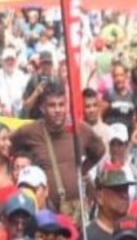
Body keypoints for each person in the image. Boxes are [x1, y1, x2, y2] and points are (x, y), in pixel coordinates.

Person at [10, 82, 105, 217]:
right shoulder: (31, 131)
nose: (57, 110)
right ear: (42, 107)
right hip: (47, 214)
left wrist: (82, 169)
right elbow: (7, 144)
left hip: (78, 213)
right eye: (52, 105)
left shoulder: (78, 129)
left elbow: (99, 150)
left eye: (61, 104)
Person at [84, 165, 135, 240]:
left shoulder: (132, 232)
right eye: (117, 190)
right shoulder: (88, 239)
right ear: (100, 197)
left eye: (125, 189)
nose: (124, 195)